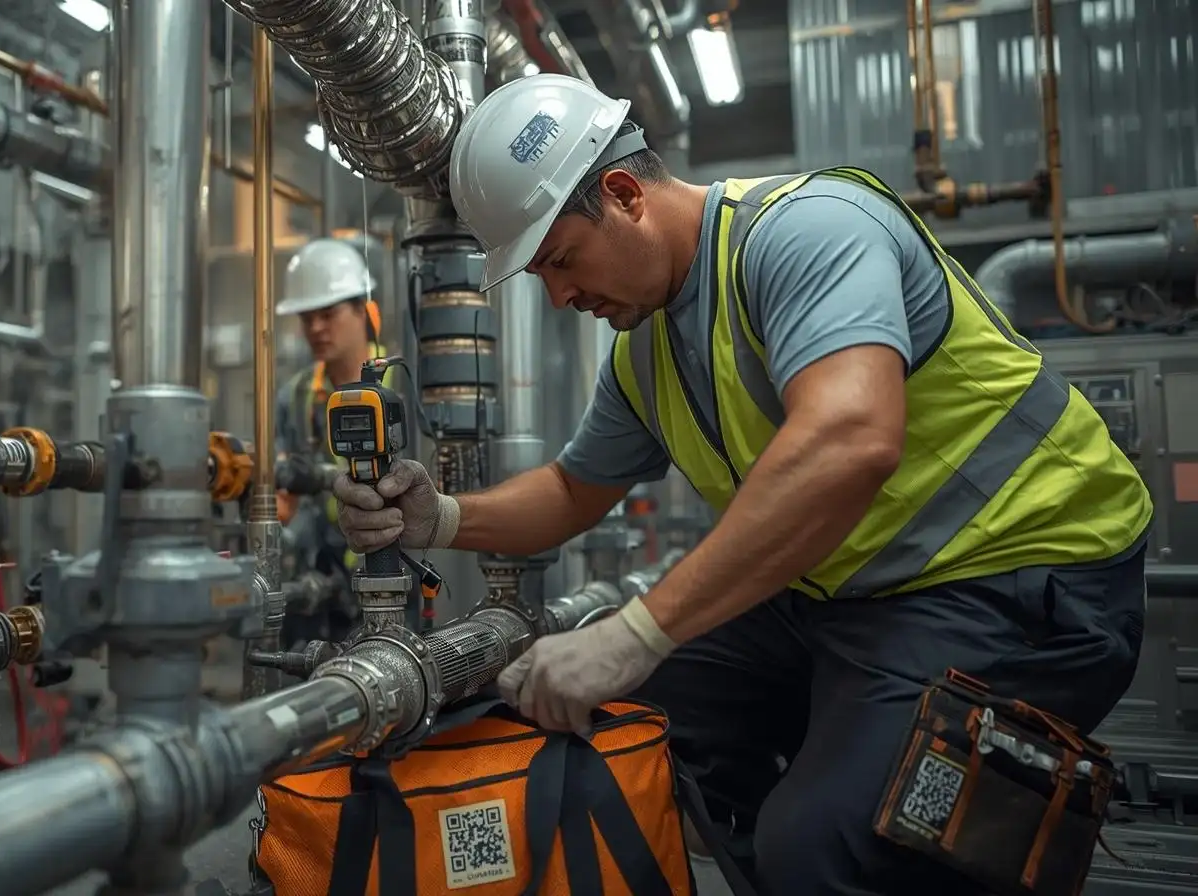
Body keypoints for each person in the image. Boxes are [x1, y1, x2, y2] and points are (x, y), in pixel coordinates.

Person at [332, 74, 1151, 895]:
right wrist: (435, 518)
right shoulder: (644, 353)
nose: (561, 295)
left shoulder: (807, 232)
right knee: (640, 717)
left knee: (826, 845)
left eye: (561, 259)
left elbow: (851, 441)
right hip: (856, 591)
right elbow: (573, 491)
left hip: (1027, 574)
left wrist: (636, 632)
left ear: (624, 194)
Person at [274, 237, 395, 644]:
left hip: (388, 570)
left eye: (328, 314)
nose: (316, 329)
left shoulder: (400, 385)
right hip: (313, 575)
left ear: (364, 309)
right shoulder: (295, 396)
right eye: (307, 318)